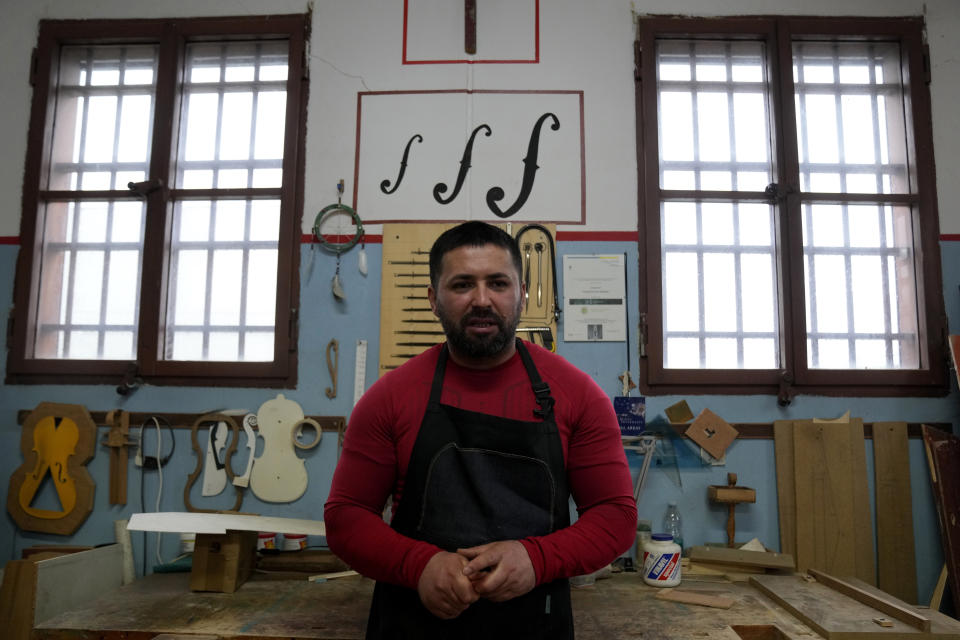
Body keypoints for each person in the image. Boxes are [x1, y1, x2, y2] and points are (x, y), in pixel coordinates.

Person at [324, 221, 636, 639]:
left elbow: (615, 517)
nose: (482, 299)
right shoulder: (391, 398)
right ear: (434, 299)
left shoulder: (578, 396)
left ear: (522, 294)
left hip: (535, 622)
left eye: (498, 283)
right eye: (462, 285)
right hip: (413, 621)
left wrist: (537, 559)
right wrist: (419, 565)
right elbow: (346, 517)